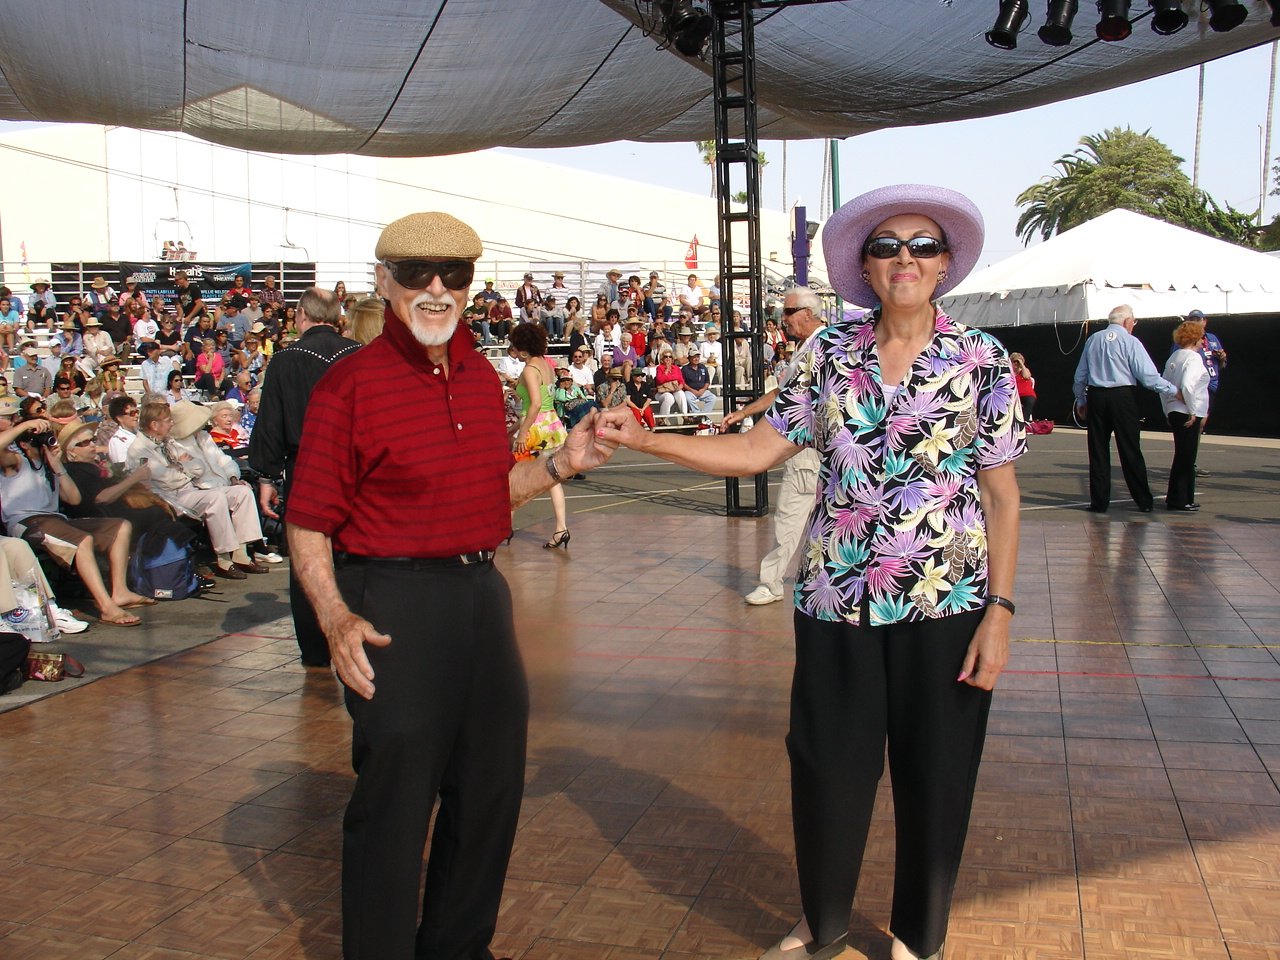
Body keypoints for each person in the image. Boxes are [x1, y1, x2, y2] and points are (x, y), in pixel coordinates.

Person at [596, 184, 1024, 960]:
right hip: (835, 601)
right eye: (887, 246)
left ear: (945, 263)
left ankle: (920, 935)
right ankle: (822, 921)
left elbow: (1001, 495)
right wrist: (646, 441)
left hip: (947, 602)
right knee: (827, 768)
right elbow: (756, 450)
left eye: (923, 245)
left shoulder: (981, 358)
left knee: (938, 773)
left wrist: (1000, 611)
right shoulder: (828, 352)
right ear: (866, 265)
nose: (905, 258)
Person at [283, 211, 615, 960]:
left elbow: (492, 494)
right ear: (384, 282)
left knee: (491, 787)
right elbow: (307, 520)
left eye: (454, 275)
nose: (436, 289)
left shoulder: (478, 378)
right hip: (392, 601)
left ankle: (458, 949)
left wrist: (562, 464)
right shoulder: (349, 385)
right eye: (416, 273)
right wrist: (334, 617)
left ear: (470, 285)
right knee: (395, 801)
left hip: (481, 595)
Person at [248, 287, 361, 667]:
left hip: (307, 467)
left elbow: (270, 423)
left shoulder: (285, 359)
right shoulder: (358, 354)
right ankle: (354, 635)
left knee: (307, 557)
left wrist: (266, 476)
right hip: (354, 468)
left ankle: (315, 650)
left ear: (301, 316)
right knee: (352, 554)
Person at [720, 287, 825, 606]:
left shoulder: (822, 346)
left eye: (788, 312)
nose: (783, 319)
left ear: (808, 314)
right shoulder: (806, 348)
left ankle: (777, 582)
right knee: (795, 519)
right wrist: (745, 412)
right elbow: (782, 393)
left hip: (814, 449)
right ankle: (776, 581)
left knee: (798, 518)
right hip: (811, 449)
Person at [0, 414, 151, 625]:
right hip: (27, 522)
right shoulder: (16, 461)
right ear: (24, 443)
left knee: (120, 527)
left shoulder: (49, 464)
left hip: (56, 520)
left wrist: (57, 466)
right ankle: (106, 607)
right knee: (82, 540)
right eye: (38, 438)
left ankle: (120, 592)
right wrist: (25, 425)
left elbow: (74, 498)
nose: (45, 442)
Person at [127, 401, 266, 580]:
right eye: (168, 421)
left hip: (188, 491)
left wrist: (179, 467)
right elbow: (167, 479)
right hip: (168, 498)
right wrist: (183, 468)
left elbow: (198, 466)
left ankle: (241, 553)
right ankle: (223, 559)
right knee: (215, 498)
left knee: (242, 492)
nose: (171, 424)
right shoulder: (139, 449)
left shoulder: (167, 442)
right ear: (155, 425)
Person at [1072, 304, 1178, 514]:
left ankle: (1099, 501)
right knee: (1130, 449)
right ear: (1128, 321)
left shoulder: (1093, 340)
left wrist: (1081, 400)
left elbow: (1080, 375)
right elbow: (1148, 376)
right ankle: (1143, 500)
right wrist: (1173, 390)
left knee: (1098, 451)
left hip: (1097, 396)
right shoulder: (1130, 341)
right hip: (1122, 397)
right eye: (1133, 322)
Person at [510, 322, 572, 548]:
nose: (513, 352)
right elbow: (541, 403)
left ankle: (504, 527)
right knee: (552, 479)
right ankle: (561, 528)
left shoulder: (529, 370)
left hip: (535, 429)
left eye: (515, 348)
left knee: (514, 477)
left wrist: (521, 433)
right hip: (551, 425)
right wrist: (514, 429)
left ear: (523, 350)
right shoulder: (546, 365)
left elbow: (534, 405)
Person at [1161, 320, 1211, 512]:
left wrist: (1167, 410)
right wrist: (1193, 410)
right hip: (1187, 412)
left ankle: (1179, 497)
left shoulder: (1174, 357)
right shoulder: (1193, 358)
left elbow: (1163, 386)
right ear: (1195, 338)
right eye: (1201, 337)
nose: (1203, 341)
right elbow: (1189, 385)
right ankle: (1181, 499)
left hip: (1174, 410)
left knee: (1182, 455)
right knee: (1187, 457)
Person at [1184, 308, 1227, 477]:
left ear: (1204, 321)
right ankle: (1188, 462)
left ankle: (1190, 461)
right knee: (1194, 423)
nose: (1196, 323)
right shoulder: (1185, 339)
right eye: (1192, 320)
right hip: (1194, 385)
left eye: (1198, 320)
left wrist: (1222, 357)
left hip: (1211, 385)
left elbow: (1222, 365)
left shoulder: (1212, 339)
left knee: (1200, 424)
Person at [1010, 352, 1036, 422]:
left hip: (1026, 395)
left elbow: (1027, 376)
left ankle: (1024, 422)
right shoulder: (1009, 372)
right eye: (1014, 361)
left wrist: (1021, 364)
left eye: (1018, 362)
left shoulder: (1024, 371)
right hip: (1013, 395)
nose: (1016, 363)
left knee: (1029, 400)